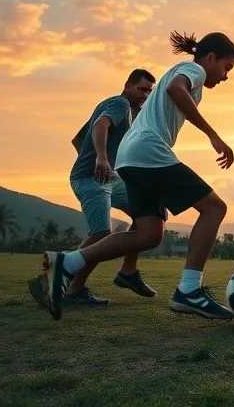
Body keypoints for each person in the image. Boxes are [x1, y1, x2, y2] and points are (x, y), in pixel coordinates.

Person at [39, 31, 234, 321]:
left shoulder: (188, 74)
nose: (225, 76)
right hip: (148, 152)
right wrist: (214, 135)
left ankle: (67, 263)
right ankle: (189, 291)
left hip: (129, 158)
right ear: (210, 58)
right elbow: (175, 88)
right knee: (214, 208)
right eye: (226, 68)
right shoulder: (193, 69)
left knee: (149, 234)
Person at [63, 68, 158, 306]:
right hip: (89, 179)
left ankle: (128, 272)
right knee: (101, 234)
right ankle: (71, 289)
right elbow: (100, 126)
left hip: (108, 178)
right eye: (141, 89)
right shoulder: (120, 104)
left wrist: (100, 161)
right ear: (127, 85)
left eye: (149, 91)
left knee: (148, 209)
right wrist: (100, 158)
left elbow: (77, 138)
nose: (145, 95)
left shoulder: (127, 112)